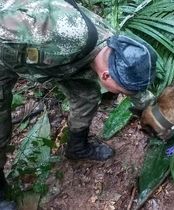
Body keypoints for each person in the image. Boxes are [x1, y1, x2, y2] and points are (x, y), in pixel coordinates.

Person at [0, 0, 157, 209]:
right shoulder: (54, 34)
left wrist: (155, 112)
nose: (122, 95)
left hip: (62, 64)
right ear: (106, 75)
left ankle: (77, 147)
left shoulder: (115, 48)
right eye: (121, 92)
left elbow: (134, 88)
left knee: (87, 96)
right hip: (5, 56)